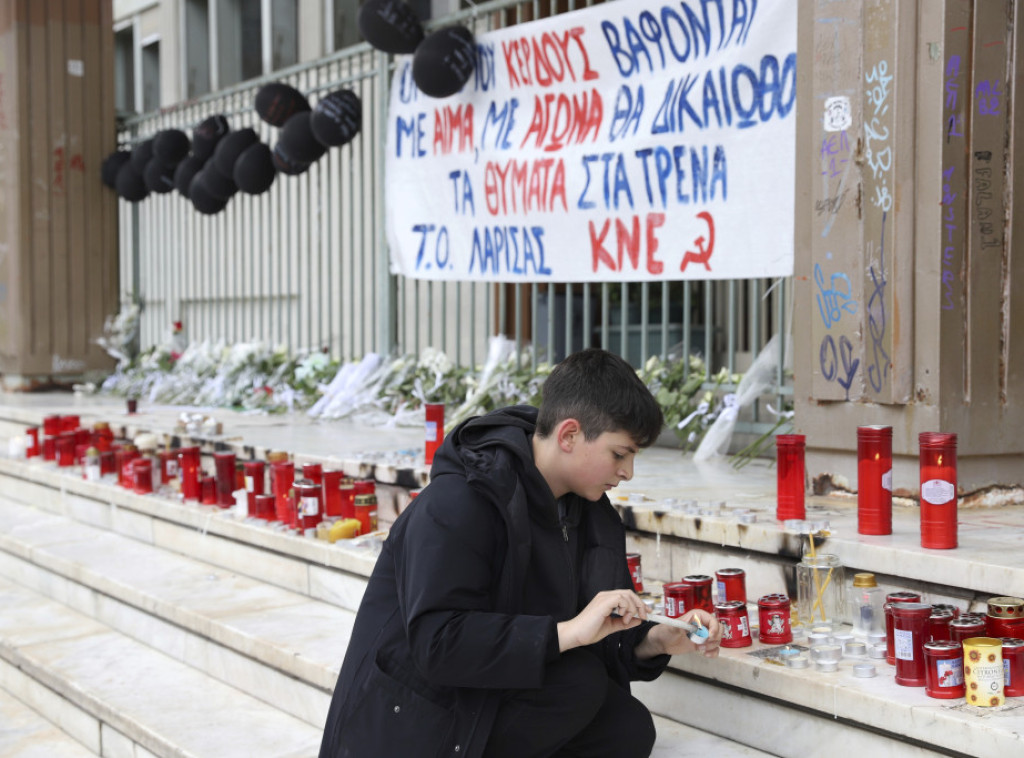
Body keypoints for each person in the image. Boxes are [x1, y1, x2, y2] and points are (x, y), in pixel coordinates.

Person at [319, 348, 722, 758]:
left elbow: (600, 631)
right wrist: (568, 632)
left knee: (625, 727)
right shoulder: (460, 499)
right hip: (412, 713)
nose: (627, 472)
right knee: (578, 685)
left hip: (490, 687)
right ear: (569, 435)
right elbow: (438, 644)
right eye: (619, 454)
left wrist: (657, 639)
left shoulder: (589, 514)